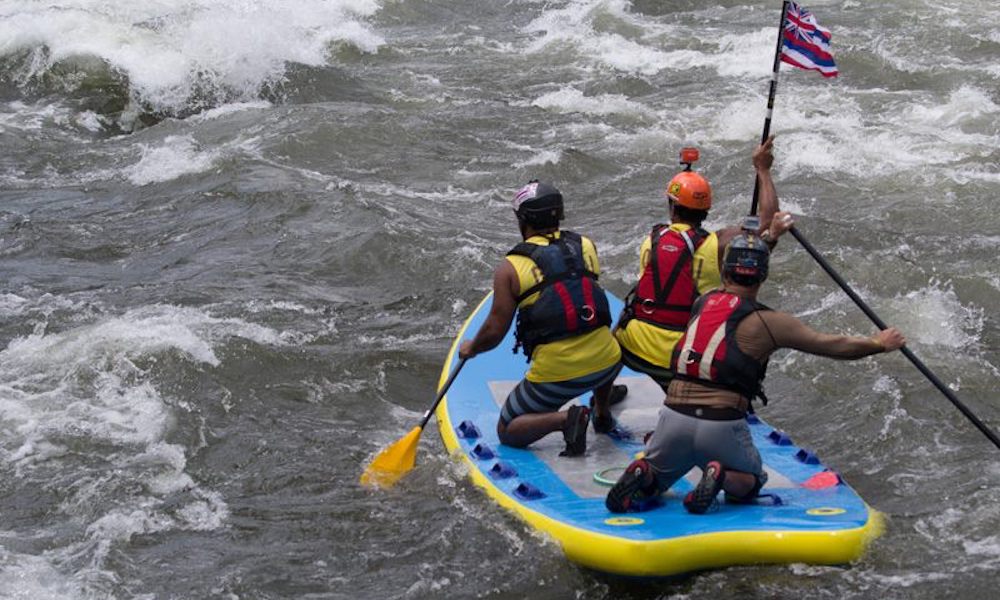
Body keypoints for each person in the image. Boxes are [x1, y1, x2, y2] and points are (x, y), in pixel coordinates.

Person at [605, 216, 906, 513]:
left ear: (723, 271)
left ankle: (644, 473)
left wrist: (770, 237)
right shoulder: (770, 323)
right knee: (751, 483)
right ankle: (722, 475)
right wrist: (879, 344)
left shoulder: (704, 301)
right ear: (763, 276)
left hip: (672, 417)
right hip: (720, 423)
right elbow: (833, 345)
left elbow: (740, 275)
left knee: (657, 479)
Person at [459, 180, 623, 457]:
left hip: (558, 376)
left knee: (508, 429)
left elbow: (495, 331)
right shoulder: (586, 245)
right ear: (558, 214)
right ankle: (602, 410)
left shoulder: (510, 269)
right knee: (599, 340)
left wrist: (471, 348)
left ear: (523, 220)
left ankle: (566, 419)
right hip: (609, 363)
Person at [615, 137, 782, 392]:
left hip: (635, 346)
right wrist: (763, 169)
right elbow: (767, 221)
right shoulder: (716, 245)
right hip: (684, 353)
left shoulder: (650, 240)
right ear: (706, 211)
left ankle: (602, 410)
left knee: (606, 343)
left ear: (672, 207)